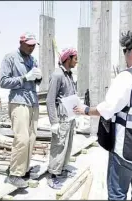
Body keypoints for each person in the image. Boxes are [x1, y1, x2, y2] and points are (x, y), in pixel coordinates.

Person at [74, 31, 132, 200]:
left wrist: (86, 110)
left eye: (125, 51)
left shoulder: (128, 76)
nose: (125, 55)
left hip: (127, 148)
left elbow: (108, 109)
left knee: (117, 193)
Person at [0, 32, 42, 188]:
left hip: (33, 102)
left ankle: (23, 170)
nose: (32, 48)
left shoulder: (32, 60)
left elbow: (35, 81)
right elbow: (4, 82)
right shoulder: (10, 58)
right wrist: (24, 78)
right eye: (29, 45)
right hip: (19, 101)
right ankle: (14, 174)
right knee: (22, 139)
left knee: (31, 139)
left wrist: (38, 77)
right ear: (21, 43)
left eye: (33, 45)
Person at [46, 47, 78, 189]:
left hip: (70, 116)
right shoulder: (57, 75)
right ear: (68, 59)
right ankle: (52, 175)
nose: (76, 61)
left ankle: (62, 169)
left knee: (67, 144)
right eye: (75, 58)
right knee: (58, 146)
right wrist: (54, 122)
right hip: (61, 117)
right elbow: (50, 100)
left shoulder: (69, 74)